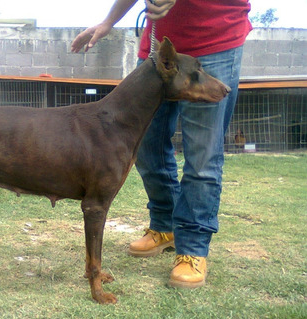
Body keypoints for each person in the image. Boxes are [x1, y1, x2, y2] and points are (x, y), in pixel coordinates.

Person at [71, 0, 252, 288]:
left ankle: (192, 248)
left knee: (202, 157)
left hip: (215, 39)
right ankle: (165, 226)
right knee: (146, 148)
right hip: (160, 54)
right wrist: (108, 22)